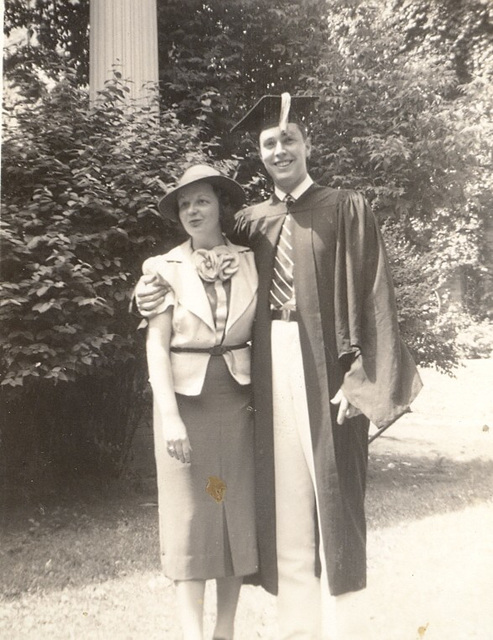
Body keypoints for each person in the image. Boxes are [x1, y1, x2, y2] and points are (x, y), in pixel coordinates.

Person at [137, 95, 423, 640]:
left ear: (307, 144)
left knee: (335, 499)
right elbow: (196, 257)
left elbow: (374, 294)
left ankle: (348, 630)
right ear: (260, 154)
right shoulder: (251, 222)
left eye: (288, 139)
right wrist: (147, 284)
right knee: (286, 500)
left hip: (330, 371)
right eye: (269, 143)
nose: (279, 149)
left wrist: (361, 379)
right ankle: (298, 631)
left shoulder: (346, 208)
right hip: (267, 369)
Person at [143, 164, 258, 640]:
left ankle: (224, 631)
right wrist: (169, 417)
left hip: (238, 401)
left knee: (231, 508)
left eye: (202, 201)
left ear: (220, 206)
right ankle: (192, 633)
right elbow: (156, 345)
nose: (193, 210)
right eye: (184, 204)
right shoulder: (161, 268)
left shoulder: (253, 260)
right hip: (185, 404)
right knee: (190, 516)